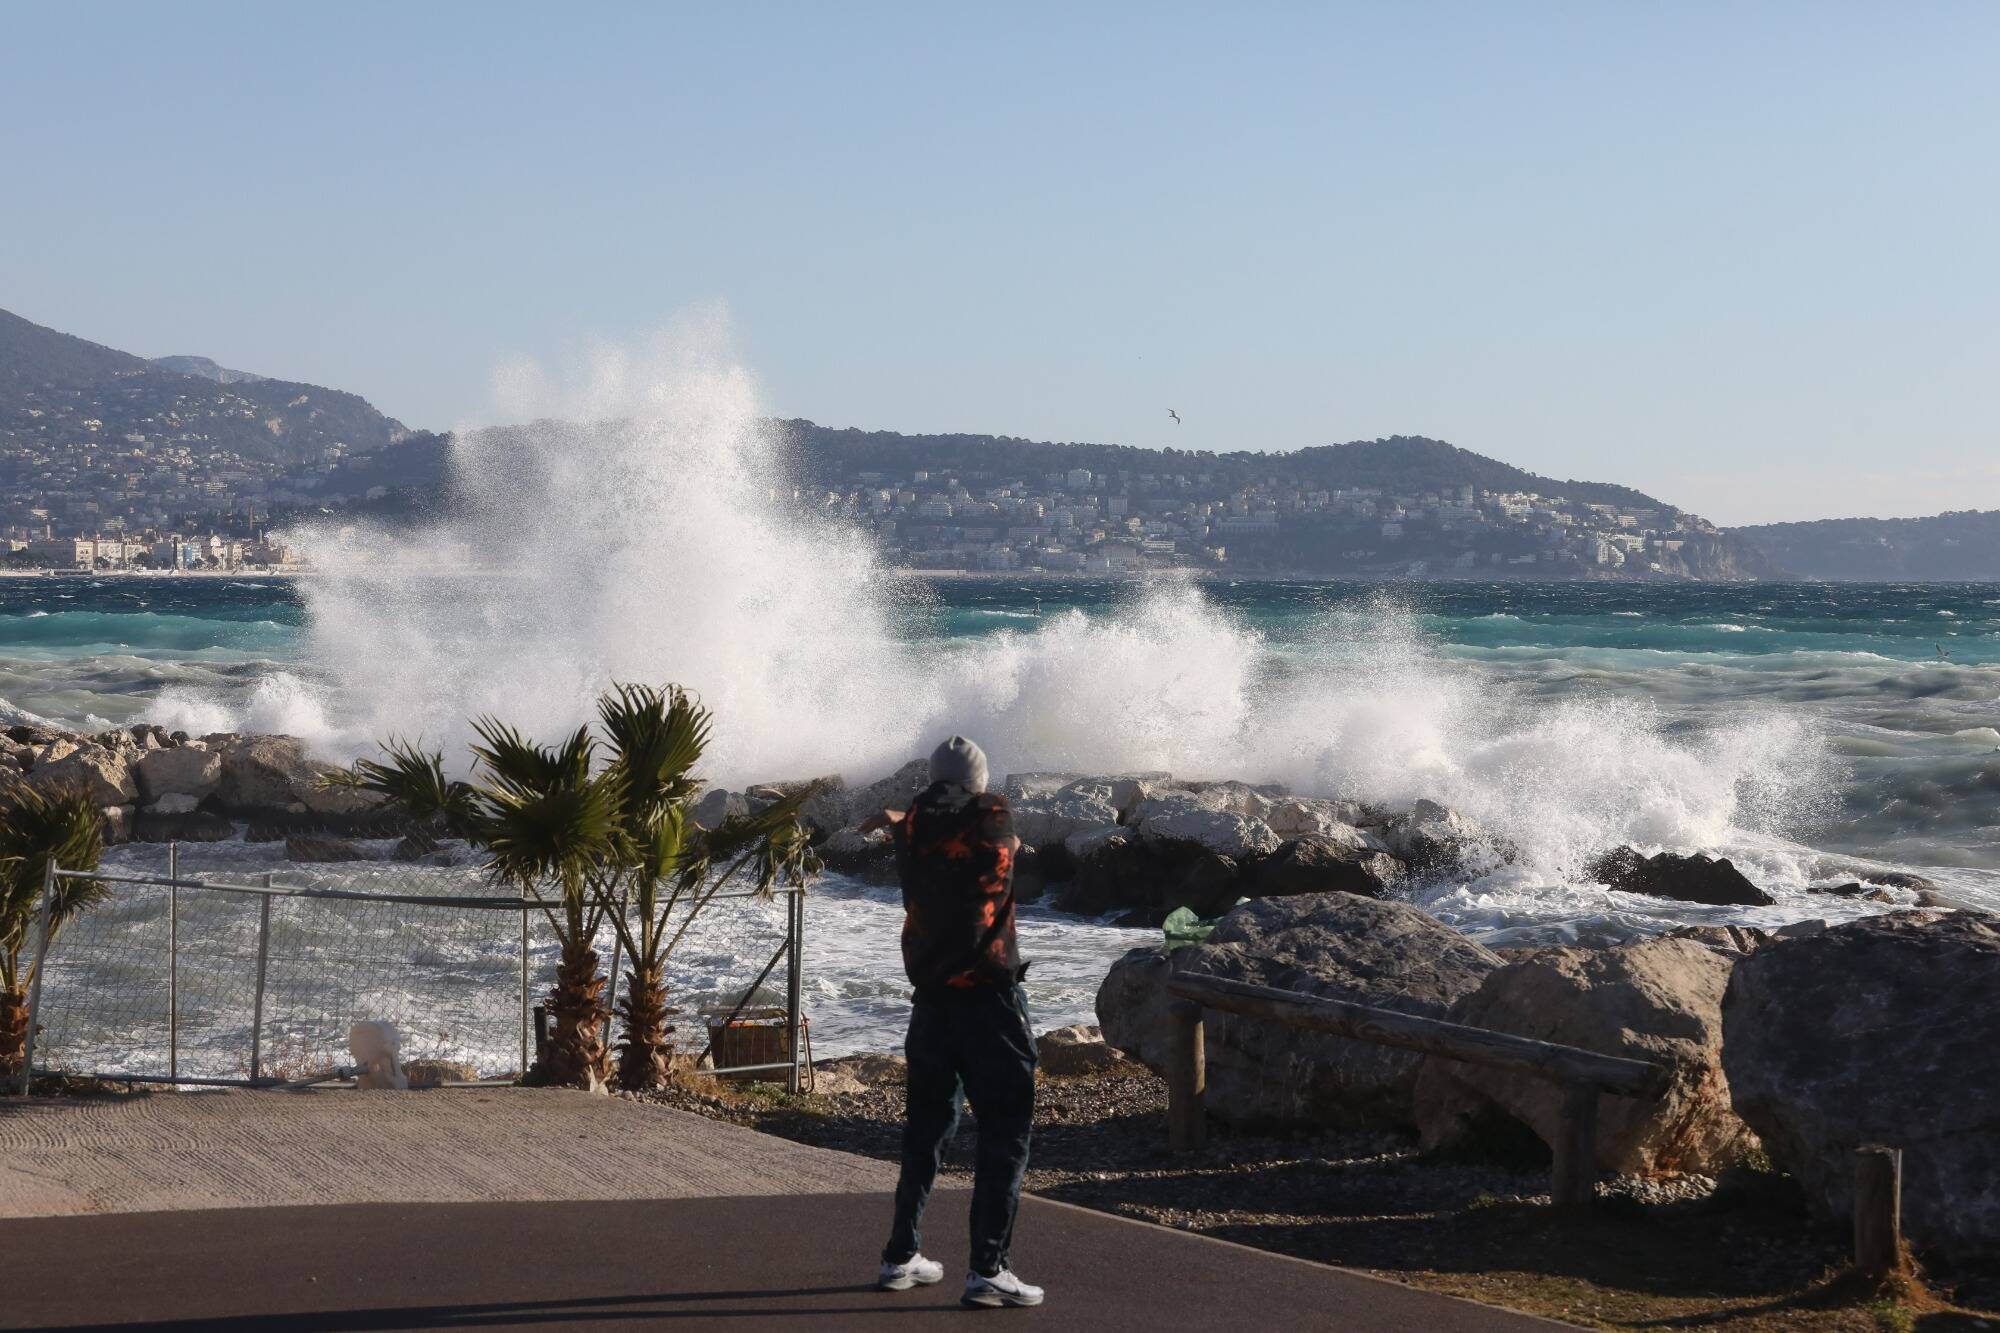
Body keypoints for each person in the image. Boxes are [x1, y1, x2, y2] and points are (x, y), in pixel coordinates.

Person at [860, 736, 1044, 1309]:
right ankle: (988, 1269)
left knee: (926, 1131)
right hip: (989, 1003)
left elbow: (922, 812)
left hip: (931, 1004)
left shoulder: (914, 827)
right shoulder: (994, 816)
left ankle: (900, 1255)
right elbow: (992, 823)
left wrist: (894, 814)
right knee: (1005, 1131)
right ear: (978, 782)